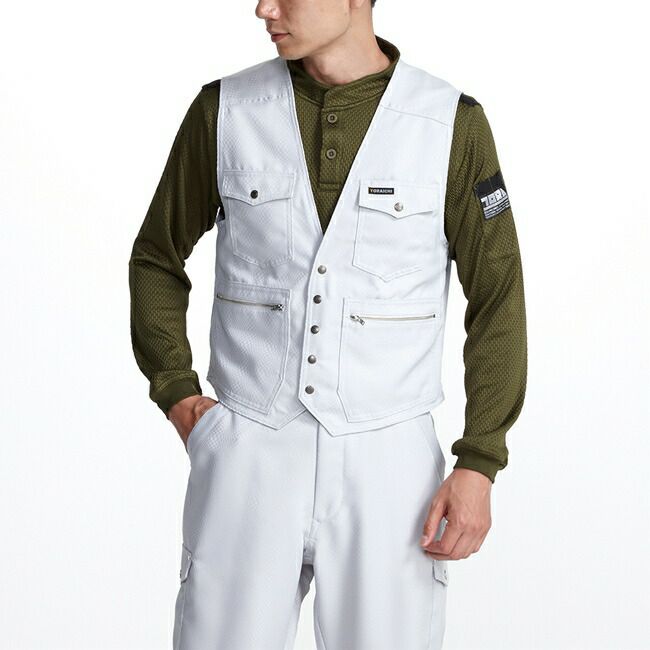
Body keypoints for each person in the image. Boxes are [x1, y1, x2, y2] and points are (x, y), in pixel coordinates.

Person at [128, 0, 527, 648]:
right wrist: (176, 390)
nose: (264, 8)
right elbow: (156, 256)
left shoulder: (449, 122)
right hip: (250, 448)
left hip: (389, 462)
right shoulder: (225, 111)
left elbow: (499, 296)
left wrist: (480, 459)